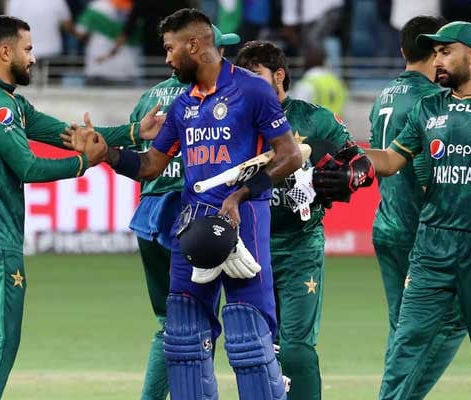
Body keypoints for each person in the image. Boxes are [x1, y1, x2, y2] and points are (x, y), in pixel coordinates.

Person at [69, 8, 302, 399]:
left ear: (194, 45)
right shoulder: (182, 105)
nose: (167, 58)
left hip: (243, 220)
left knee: (248, 335)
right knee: (183, 338)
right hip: (192, 228)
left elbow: (290, 156)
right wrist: (107, 154)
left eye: (170, 48)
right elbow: (150, 165)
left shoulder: (252, 90)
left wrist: (241, 194)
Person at [0, 15, 162, 400]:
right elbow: (28, 167)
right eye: (27, 49)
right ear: (5, 51)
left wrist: (132, 133)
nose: (33, 57)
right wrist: (85, 163)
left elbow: (66, 133)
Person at [358, 21, 471, 399]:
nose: (437, 60)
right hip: (430, 248)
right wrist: (348, 155)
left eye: (446, 52)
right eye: (435, 53)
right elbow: (390, 160)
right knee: (405, 350)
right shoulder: (427, 108)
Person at [111, 25, 240, 400]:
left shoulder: (149, 96)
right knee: (198, 321)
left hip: (149, 215)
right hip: (191, 216)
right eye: (221, 51)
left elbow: (143, 160)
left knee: (170, 323)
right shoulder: (211, 93)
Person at [234, 40, 362, 400]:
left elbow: (358, 162)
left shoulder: (316, 119)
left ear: (279, 75)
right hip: (248, 247)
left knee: (296, 348)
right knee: (256, 347)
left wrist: (350, 177)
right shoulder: (234, 120)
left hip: (299, 245)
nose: (247, 84)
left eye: (255, 75)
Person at [368, 16, 468, 399]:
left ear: (403, 51)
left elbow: (379, 156)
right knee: (454, 318)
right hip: (420, 229)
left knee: (403, 328)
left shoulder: (384, 95)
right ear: (437, 51)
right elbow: (429, 168)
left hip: (387, 223)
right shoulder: (432, 100)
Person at [289, 46, 348, 115]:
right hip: (336, 121)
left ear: (306, 61)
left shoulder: (306, 84)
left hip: (314, 122)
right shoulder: (338, 82)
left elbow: (297, 115)